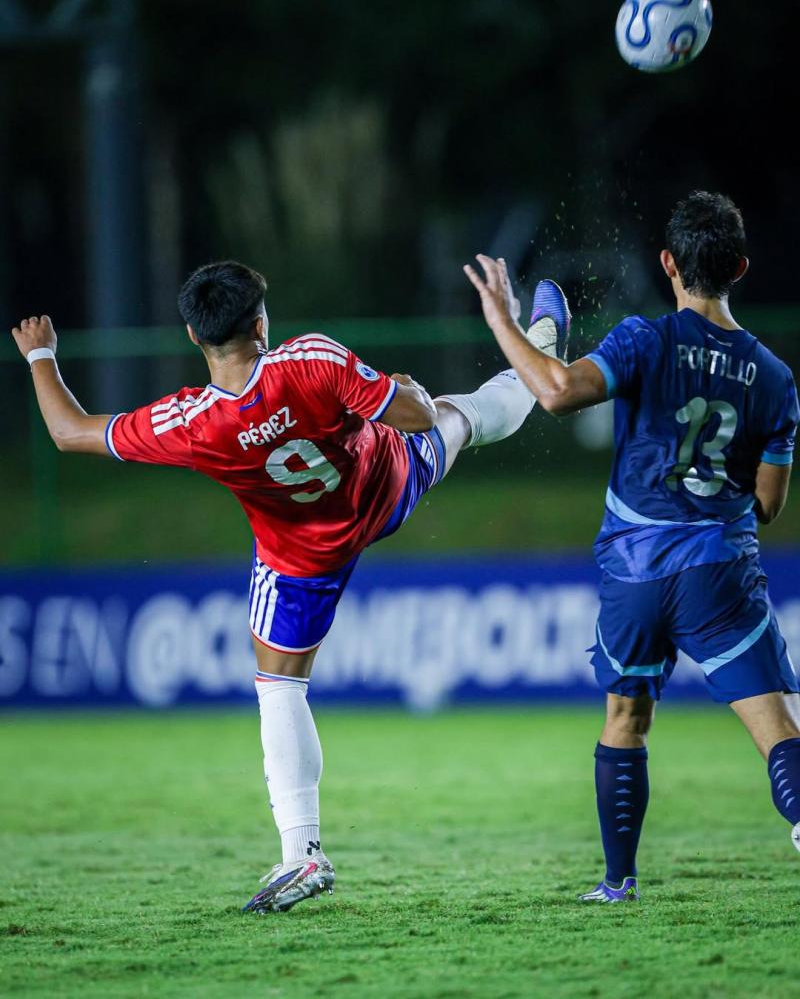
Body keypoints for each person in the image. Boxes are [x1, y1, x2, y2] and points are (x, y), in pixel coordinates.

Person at [12, 259, 566, 913]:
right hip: (386, 487)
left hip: (301, 558)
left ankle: (302, 853)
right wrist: (399, 387)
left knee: (279, 688)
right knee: (467, 414)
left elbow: (67, 432)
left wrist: (41, 353)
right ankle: (545, 349)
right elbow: (414, 413)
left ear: (193, 337)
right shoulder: (312, 360)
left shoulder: (189, 422)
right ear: (261, 323)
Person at [463, 191, 800, 902]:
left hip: (635, 572)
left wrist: (501, 318)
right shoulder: (775, 379)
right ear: (739, 265)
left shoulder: (643, 339)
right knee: (777, 727)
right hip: (718, 572)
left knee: (626, 719)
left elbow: (555, 392)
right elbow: (768, 504)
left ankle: (618, 884)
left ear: (669, 263)